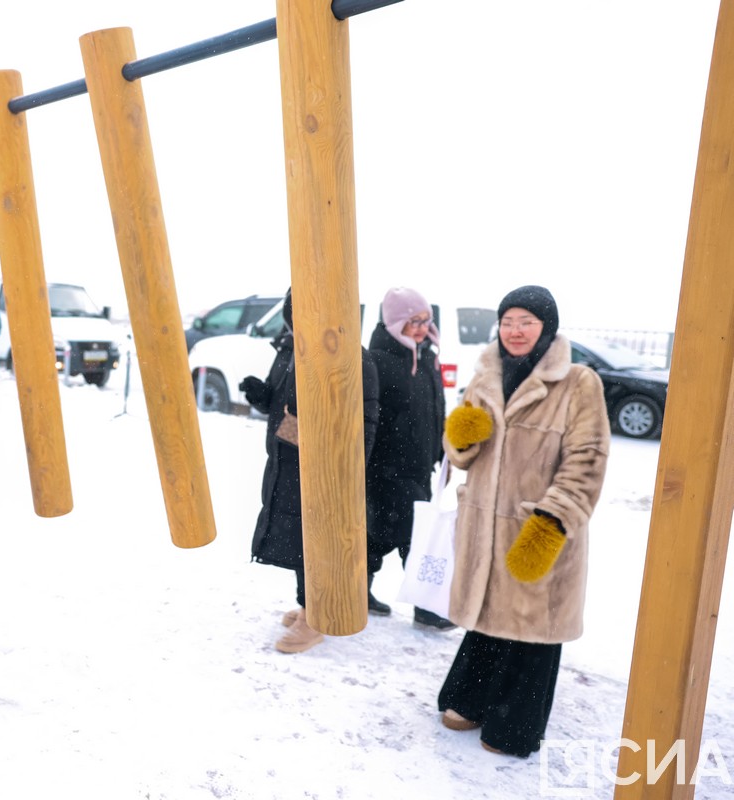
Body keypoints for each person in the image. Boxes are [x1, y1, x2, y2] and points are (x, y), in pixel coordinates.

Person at [437, 285, 609, 758]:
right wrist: (461, 437)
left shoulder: (578, 382)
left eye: (526, 322)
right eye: (508, 321)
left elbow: (587, 460)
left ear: (546, 328)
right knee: (487, 615)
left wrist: (551, 524)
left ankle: (515, 724)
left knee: (533, 629)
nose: (515, 331)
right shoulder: (485, 375)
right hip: (483, 526)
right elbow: (461, 454)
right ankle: (469, 700)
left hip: (537, 528)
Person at [243, 289, 380, 653]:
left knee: (316, 543)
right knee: (295, 539)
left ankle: (316, 615)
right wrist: (261, 397)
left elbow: (363, 425)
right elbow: (282, 401)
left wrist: (343, 471)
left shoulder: (351, 356)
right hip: (286, 464)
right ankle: (309, 604)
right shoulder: (291, 347)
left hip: (324, 472)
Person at [364, 287, 454, 630]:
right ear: (393, 322)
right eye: (411, 322)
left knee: (380, 537)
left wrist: (441, 450)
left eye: (425, 321)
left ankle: (360, 591)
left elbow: (435, 408)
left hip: (418, 466)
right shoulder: (378, 361)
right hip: (386, 468)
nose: (419, 328)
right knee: (414, 539)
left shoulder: (428, 356)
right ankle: (427, 608)